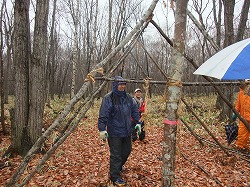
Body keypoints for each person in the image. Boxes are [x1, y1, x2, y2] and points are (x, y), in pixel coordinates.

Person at [98, 76, 141, 186]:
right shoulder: (109, 98)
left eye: (123, 84)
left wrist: (138, 123)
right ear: (115, 85)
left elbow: (135, 111)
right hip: (114, 132)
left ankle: (117, 166)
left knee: (127, 151)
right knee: (116, 155)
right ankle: (115, 177)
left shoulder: (128, 97)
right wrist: (102, 129)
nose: (122, 86)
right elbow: (103, 115)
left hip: (127, 131)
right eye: (120, 84)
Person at [232, 79, 250, 152]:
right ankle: (241, 148)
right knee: (241, 134)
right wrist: (235, 114)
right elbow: (238, 104)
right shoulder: (241, 93)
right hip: (244, 119)